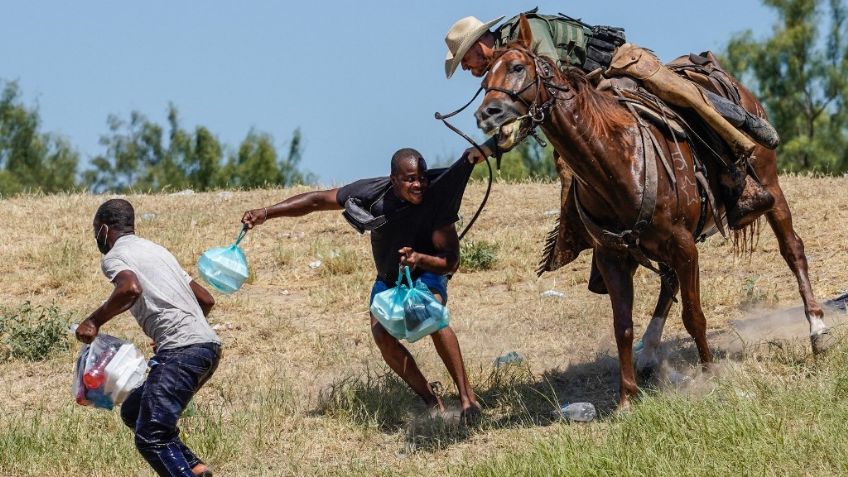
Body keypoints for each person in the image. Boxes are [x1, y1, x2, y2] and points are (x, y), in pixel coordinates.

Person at [444, 9, 779, 232]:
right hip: (589, 96)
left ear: (480, 43)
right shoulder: (505, 68)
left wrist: (495, 142)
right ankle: (594, 233)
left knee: (681, 98)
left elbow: (551, 84)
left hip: (617, 66)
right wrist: (491, 144)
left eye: (465, 58)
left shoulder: (525, 34)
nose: (465, 68)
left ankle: (738, 162)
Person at [241, 147, 486, 420]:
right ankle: (431, 400)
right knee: (381, 334)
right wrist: (267, 212)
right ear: (393, 179)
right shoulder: (372, 193)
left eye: (422, 178)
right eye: (410, 179)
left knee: (431, 315)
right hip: (389, 279)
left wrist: (419, 259)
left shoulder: (437, 200)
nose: (418, 185)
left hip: (427, 271)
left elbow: (451, 262)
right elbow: (317, 201)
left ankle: (468, 400)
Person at [75, 198, 221, 477]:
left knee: (151, 436)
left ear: (104, 229)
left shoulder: (116, 256)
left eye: (96, 230)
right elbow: (206, 300)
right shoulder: (158, 251)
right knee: (134, 410)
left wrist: (93, 321)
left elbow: (130, 288)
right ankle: (195, 467)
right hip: (207, 347)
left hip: (182, 350)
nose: (96, 237)